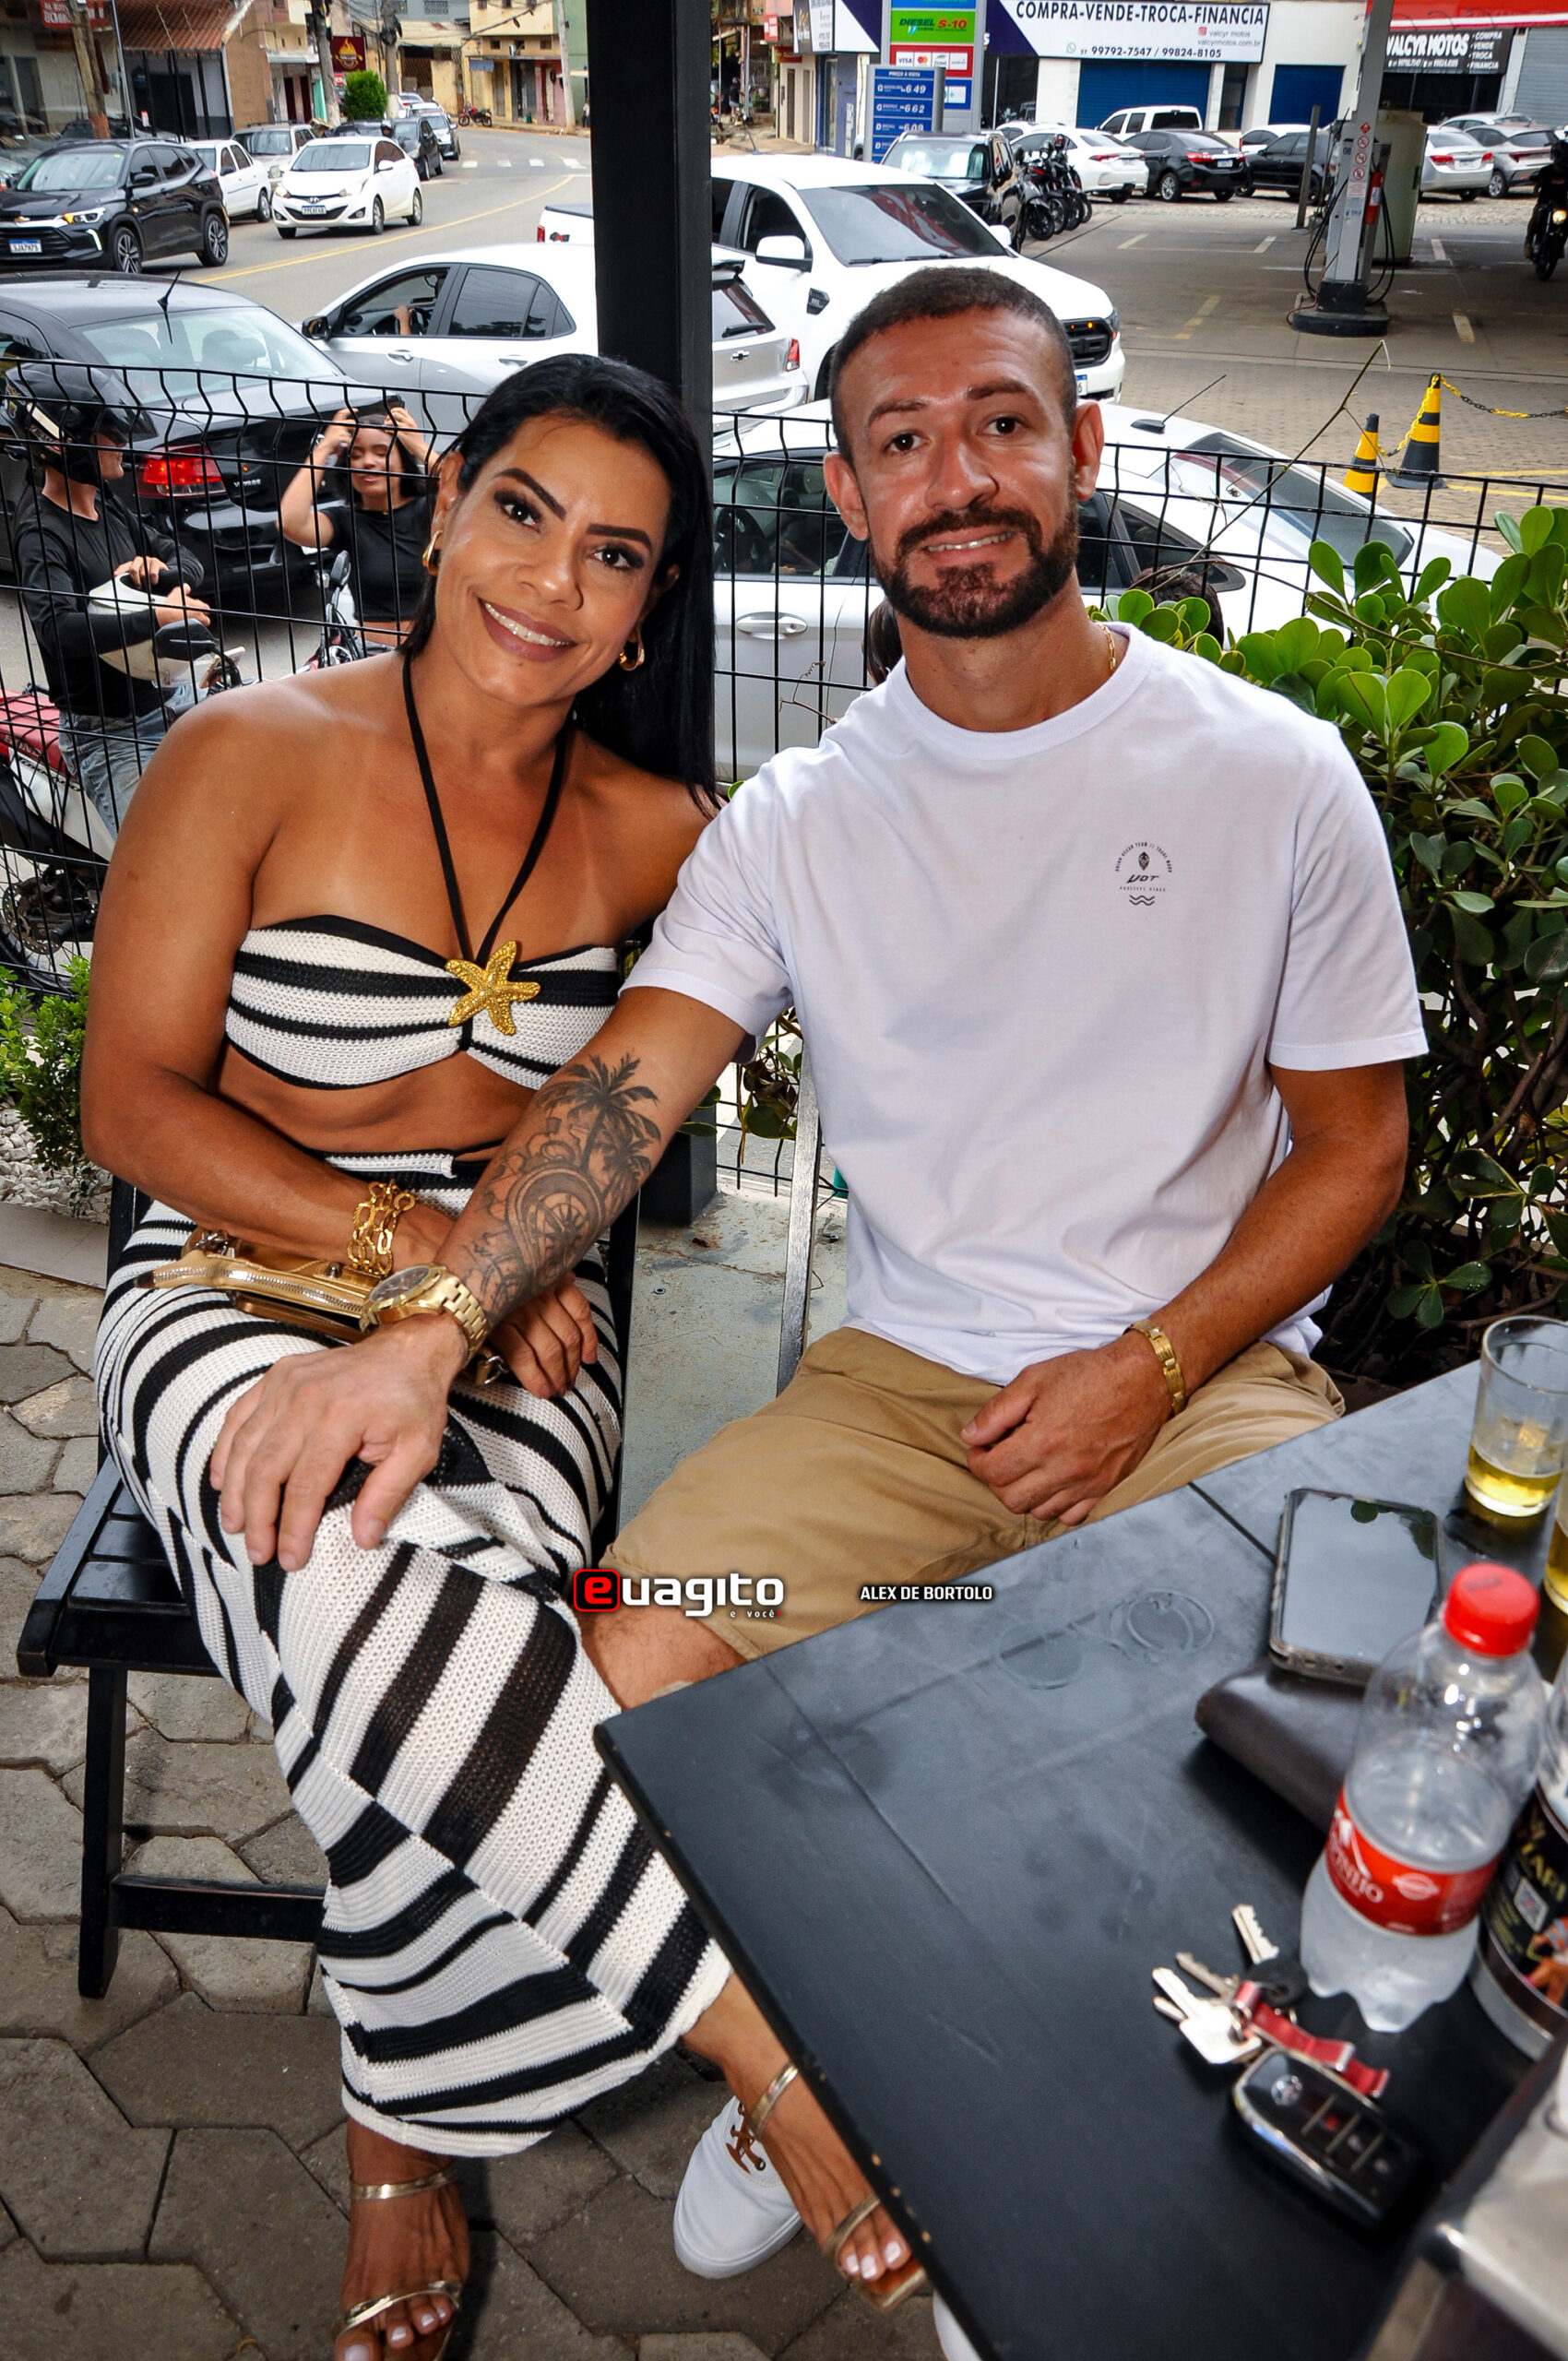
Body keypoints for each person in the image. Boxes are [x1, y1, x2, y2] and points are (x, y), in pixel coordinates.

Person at [206, 267, 1423, 2327]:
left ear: (1079, 448)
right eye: (900, 442)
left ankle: (1091, 2160)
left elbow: (1354, 1151)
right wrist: (430, 1325)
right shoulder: (801, 819)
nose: (959, 476)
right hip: (895, 1395)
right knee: (632, 1640)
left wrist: (1147, 1365)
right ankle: (802, 2055)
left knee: (1244, 1768)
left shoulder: (1269, 772)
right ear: (849, 496)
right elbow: (620, 1091)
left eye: (1001, 423)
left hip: (1202, 1378)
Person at [86, 353, 923, 2361]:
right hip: (235, 1278)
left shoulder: (660, 833)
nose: (554, 581)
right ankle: (756, 2039)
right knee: (344, 1556)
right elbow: (133, 1103)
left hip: (521, 1326)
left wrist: (495, 1257)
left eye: (615, 555)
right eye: (526, 513)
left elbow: (753, 1042)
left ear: (649, 608)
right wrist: (426, 1246)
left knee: (410, 1633)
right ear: (446, 499)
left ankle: (397, 2132)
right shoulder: (245, 753)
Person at [10, 362, 214, 829]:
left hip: (171, 699)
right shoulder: (41, 532)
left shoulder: (109, 506)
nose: (121, 440)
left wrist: (159, 576)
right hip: (109, 734)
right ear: (63, 443)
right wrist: (158, 618)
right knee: (161, 855)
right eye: (109, 431)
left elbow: (188, 561)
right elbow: (57, 628)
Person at [279, 400, 435, 648]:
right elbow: (290, 522)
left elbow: (472, 494)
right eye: (356, 455)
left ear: (404, 461)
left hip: (435, 652)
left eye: (381, 453)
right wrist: (324, 449)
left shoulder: (430, 509)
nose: (368, 462)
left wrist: (420, 448)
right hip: (374, 657)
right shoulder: (344, 521)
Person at [1526, 125, 1568, 260]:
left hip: (1561, 203)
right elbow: (1537, 183)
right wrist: (1536, 191)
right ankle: (1529, 242)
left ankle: (1560, 245)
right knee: (1536, 217)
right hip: (1544, 201)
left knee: (1566, 223)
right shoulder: (1546, 171)